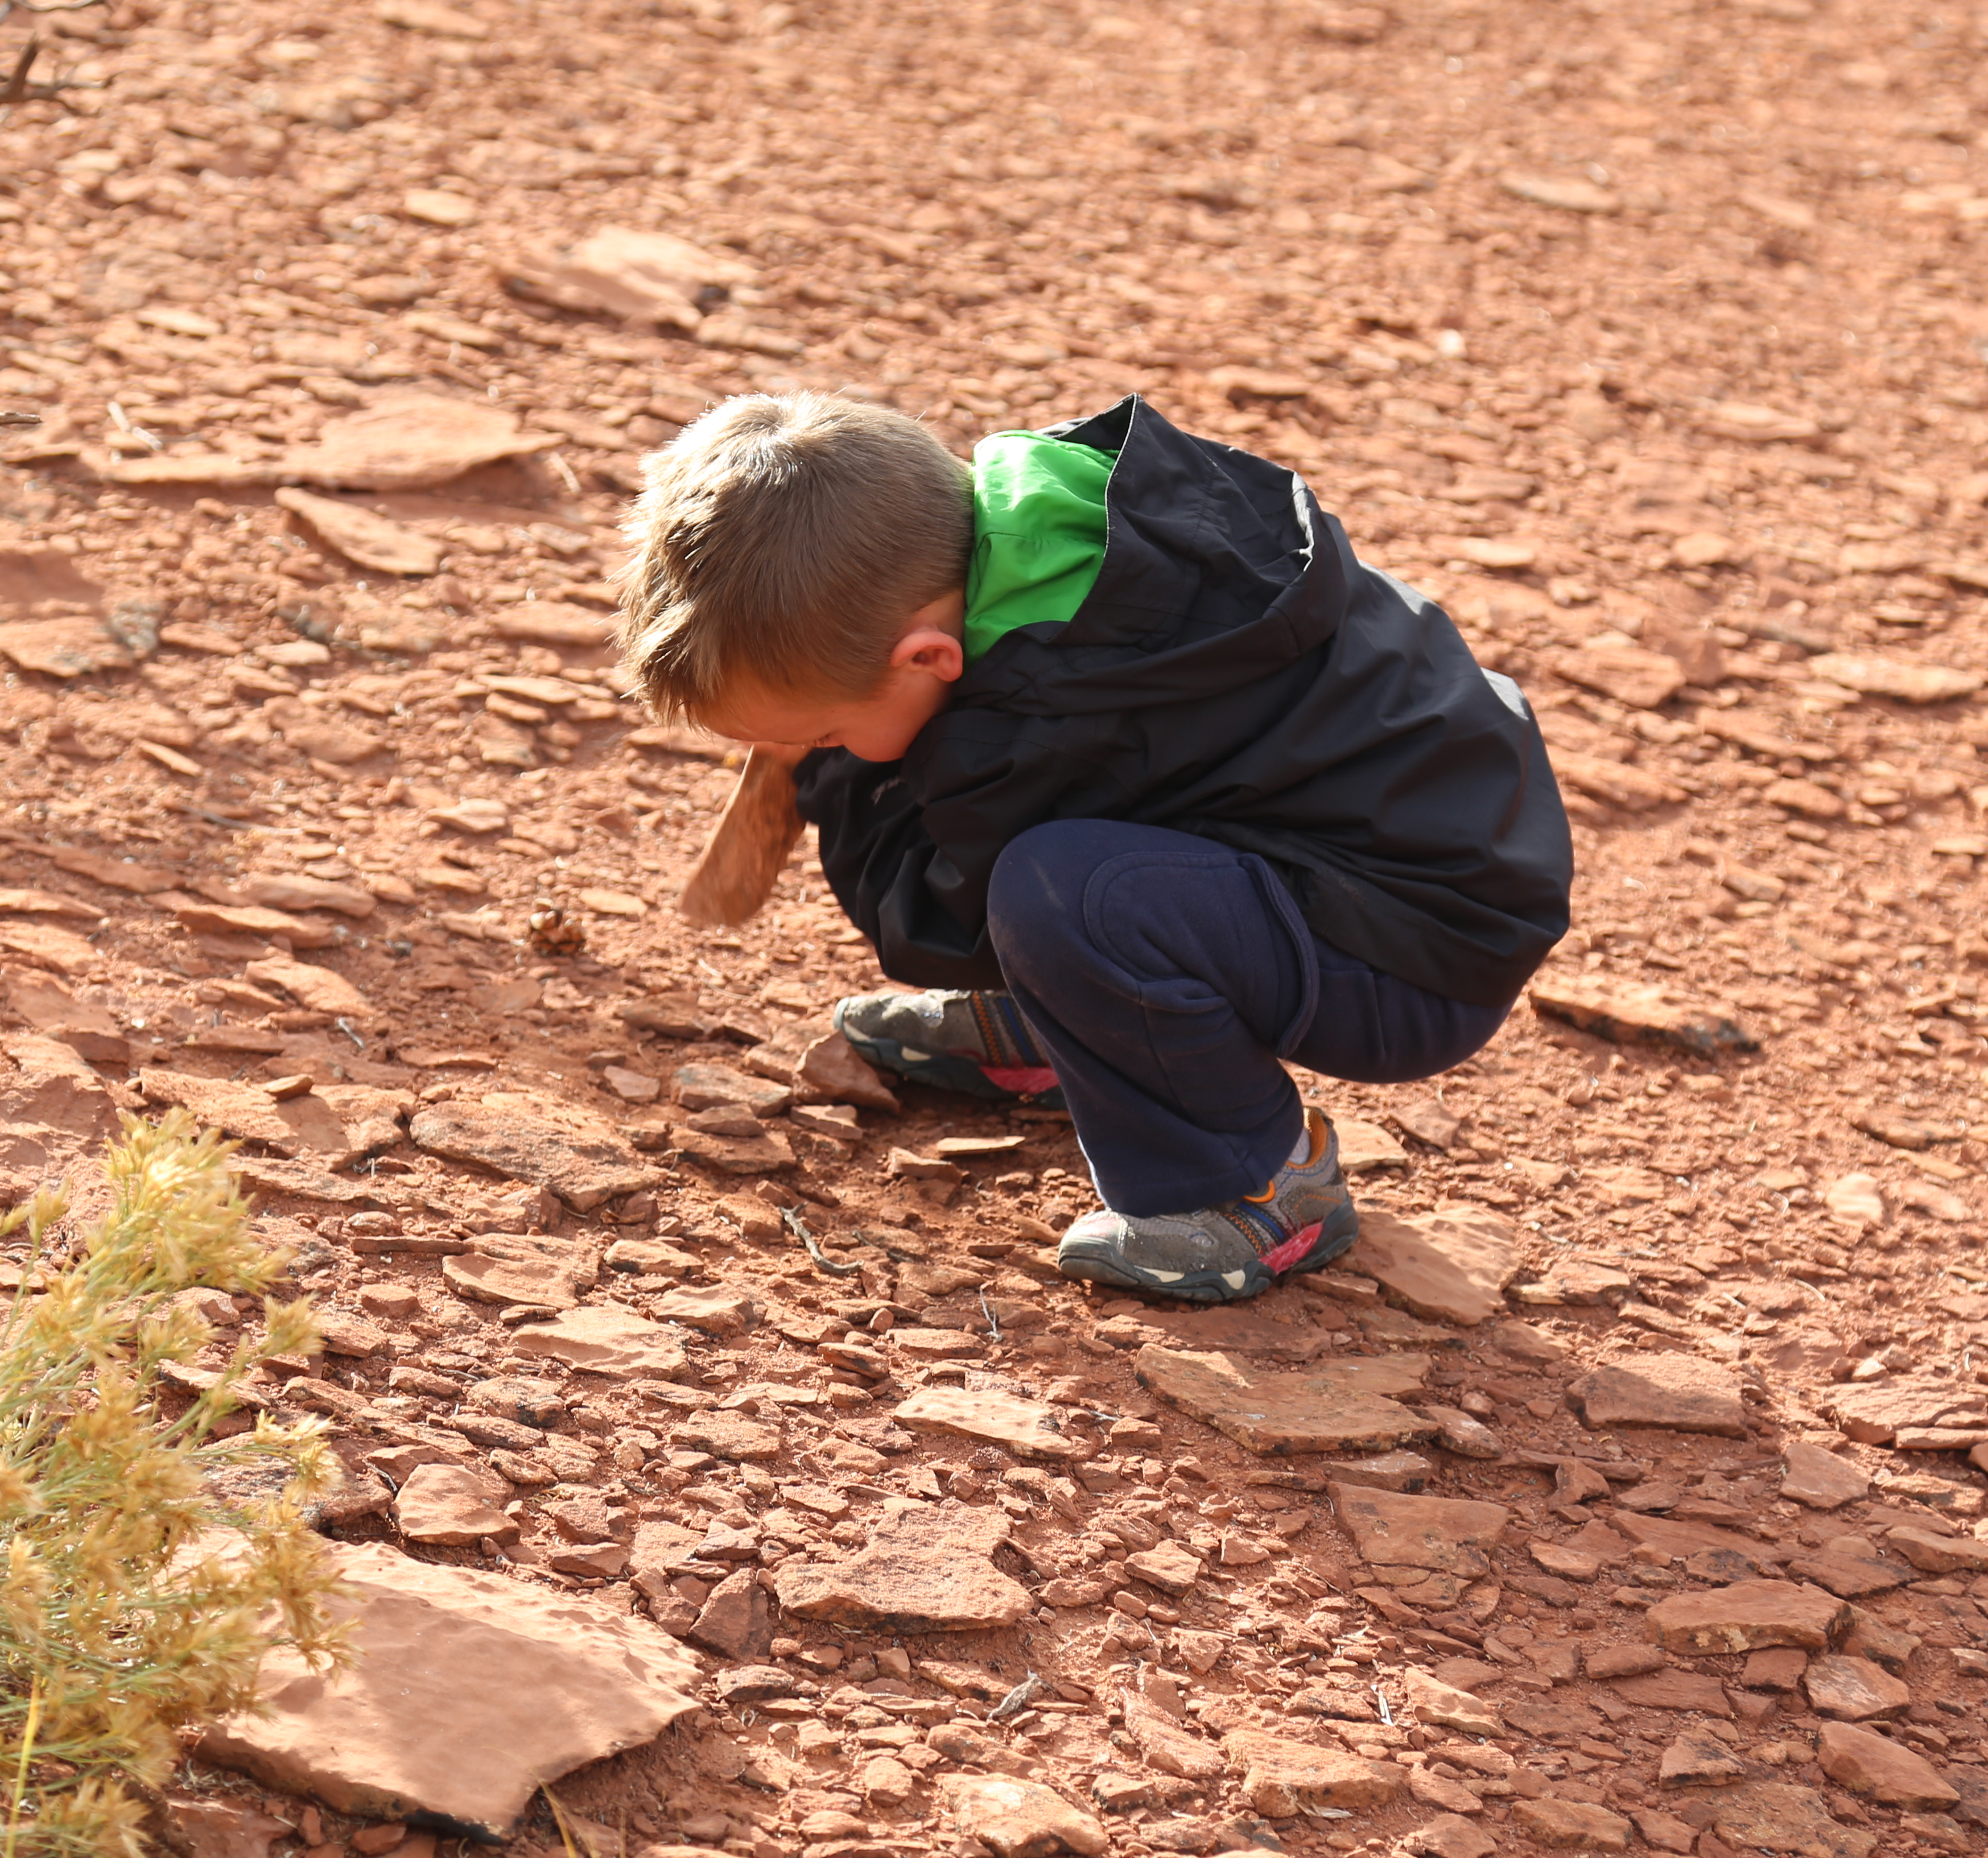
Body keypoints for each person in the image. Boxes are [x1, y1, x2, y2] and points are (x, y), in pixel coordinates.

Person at [612, 390, 1570, 1305]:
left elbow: (938, 925)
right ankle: (1082, 1033)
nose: (812, 756)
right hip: (1424, 858)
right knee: (1060, 876)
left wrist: (832, 781)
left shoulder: (1032, 712)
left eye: (820, 734)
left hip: (1414, 953)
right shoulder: (1067, 536)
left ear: (924, 659)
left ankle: (1257, 1187)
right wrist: (834, 737)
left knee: (1058, 897)